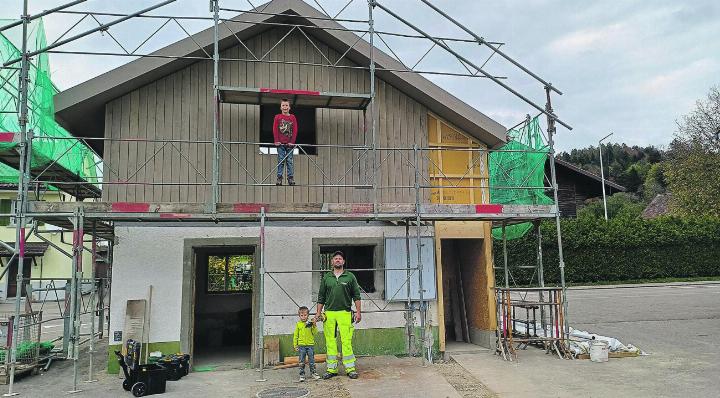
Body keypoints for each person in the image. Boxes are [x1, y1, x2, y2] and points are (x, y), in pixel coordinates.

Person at [315, 251, 361, 379]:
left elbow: (357, 296)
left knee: (346, 341)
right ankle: (331, 369)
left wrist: (358, 312)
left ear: (343, 262)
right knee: (330, 341)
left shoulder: (350, 277)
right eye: (335, 259)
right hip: (329, 313)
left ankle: (350, 369)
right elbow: (321, 297)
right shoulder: (326, 278)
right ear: (332, 261)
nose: (338, 260)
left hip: (345, 313)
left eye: (340, 258)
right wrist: (318, 312)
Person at [273, 98, 298, 186]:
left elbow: (295, 130)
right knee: (281, 160)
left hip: (289, 144)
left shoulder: (292, 117)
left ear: (289, 107)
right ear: (280, 107)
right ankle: (279, 178)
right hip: (280, 143)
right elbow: (275, 129)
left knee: (289, 160)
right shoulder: (277, 117)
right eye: (283, 105)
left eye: (286, 105)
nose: (285, 107)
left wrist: (292, 142)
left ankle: (290, 178)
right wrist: (276, 140)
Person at [293, 306, 320, 382]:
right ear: (299, 316)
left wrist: (314, 325)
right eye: (301, 315)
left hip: (310, 345)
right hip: (301, 346)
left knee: (312, 361)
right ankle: (302, 374)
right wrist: (295, 345)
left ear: (308, 315)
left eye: (305, 315)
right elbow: (295, 336)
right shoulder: (298, 324)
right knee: (301, 361)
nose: (303, 317)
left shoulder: (310, 323)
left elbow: (315, 333)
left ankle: (313, 373)